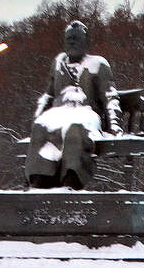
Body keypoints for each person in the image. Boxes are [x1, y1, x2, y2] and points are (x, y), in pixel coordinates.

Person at [25, 21, 122, 189]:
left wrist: (115, 125)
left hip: (86, 115)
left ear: (86, 42)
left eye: (76, 38)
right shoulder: (58, 63)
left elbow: (110, 97)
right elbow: (48, 95)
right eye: (69, 38)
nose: (72, 42)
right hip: (59, 114)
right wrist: (38, 116)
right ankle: (41, 177)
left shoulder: (98, 64)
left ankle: (72, 177)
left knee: (74, 131)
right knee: (41, 128)